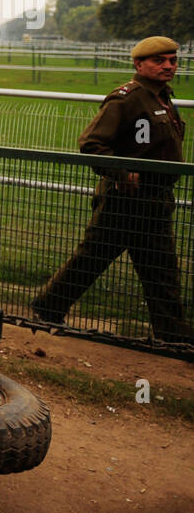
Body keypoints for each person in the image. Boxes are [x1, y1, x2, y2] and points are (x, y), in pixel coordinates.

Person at [30, 36, 190, 344]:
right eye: (160, 61)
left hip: (157, 199)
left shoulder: (164, 98)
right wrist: (122, 172)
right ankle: (46, 308)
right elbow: (91, 144)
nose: (169, 66)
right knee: (92, 259)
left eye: (172, 60)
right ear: (139, 64)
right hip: (124, 200)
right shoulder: (126, 99)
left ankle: (173, 335)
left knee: (162, 269)